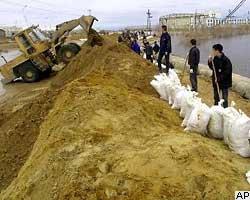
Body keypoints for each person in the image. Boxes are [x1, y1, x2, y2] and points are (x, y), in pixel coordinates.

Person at [208, 44, 232, 108]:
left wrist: (219, 78)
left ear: (217, 51)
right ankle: (216, 109)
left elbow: (227, 72)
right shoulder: (215, 59)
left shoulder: (226, 60)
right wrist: (210, 61)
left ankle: (225, 110)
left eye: (213, 50)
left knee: (224, 99)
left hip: (224, 83)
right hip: (216, 82)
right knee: (216, 97)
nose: (212, 52)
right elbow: (212, 68)